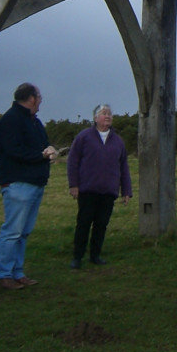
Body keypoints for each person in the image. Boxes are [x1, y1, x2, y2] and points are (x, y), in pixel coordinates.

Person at [0, 83, 58, 290]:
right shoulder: (11, 120)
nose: (40, 101)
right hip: (18, 183)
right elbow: (14, 151)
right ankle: (4, 274)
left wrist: (48, 150)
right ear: (31, 98)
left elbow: (39, 146)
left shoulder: (35, 122)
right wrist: (41, 155)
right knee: (12, 231)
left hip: (35, 183)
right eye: (39, 97)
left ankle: (17, 272)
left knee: (23, 232)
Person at [67, 104, 132, 269]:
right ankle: (77, 257)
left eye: (110, 113)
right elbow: (73, 161)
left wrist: (126, 191)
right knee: (83, 223)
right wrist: (73, 184)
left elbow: (123, 167)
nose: (108, 116)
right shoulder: (84, 137)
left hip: (108, 191)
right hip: (88, 190)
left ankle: (95, 255)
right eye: (104, 113)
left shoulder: (118, 141)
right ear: (96, 118)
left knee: (101, 225)